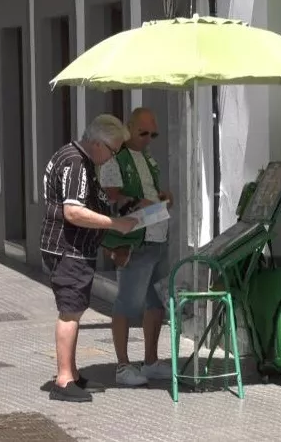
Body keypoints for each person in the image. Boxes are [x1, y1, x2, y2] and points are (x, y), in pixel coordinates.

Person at [40, 114, 138, 403]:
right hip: (67, 249)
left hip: (71, 247)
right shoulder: (76, 163)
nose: (114, 157)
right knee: (70, 311)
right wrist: (114, 224)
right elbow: (73, 211)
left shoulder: (74, 157)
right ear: (98, 143)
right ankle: (63, 380)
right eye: (114, 150)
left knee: (76, 309)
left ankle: (72, 373)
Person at [99, 107, 174, 386]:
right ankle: (122, 365)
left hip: (157, 236)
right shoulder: (115, 159)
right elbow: (109, 197)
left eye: (153, 134)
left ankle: (151, 361)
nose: (148, 138)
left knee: (156, 304)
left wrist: (163, 197)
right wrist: (135, 201)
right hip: (134, 241)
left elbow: (151, 194)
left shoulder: (149, 160)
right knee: (127, 304)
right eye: (143, 132)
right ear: (129, 129)